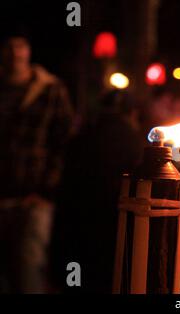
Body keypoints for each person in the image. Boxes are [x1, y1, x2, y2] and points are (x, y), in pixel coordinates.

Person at [0, 28, 73, 293]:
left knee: (28, 266)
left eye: (20, 46)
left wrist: (46, 190)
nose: (14, 53)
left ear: (29, 51)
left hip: (33, 198)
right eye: (9, 47)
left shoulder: (50, 90)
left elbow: (65, 142)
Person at [50, 90, 143, 293]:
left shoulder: (79, 141)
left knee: (78, 285)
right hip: (120, 240)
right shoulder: (139, 147)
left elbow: (64, 198)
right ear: (133, 114)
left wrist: (59, 266)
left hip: (78, 241)